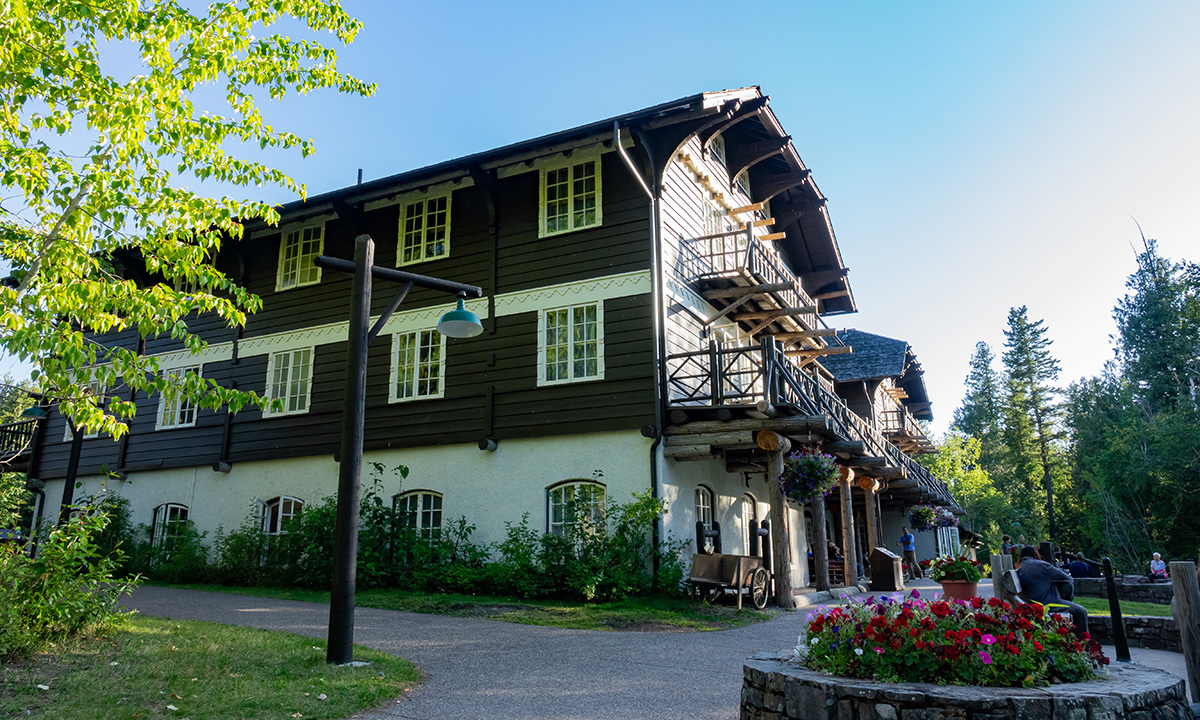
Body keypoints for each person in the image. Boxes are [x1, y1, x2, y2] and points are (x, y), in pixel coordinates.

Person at [1016, 546, 1088, 635]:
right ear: (1035, 554)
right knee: (1082, 612)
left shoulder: (1023, 566)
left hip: (1032, 603)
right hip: (1046, 604)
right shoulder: (1042, 565)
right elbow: (1068, 579)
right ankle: (1082, 644)